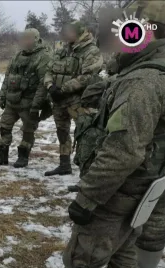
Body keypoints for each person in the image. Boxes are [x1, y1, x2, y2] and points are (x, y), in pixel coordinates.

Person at [62, 1, 165, 268]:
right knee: (123, 251)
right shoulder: (149, 72)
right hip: (144, 187)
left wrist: (88, 197)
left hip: (118, 190)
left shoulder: (142, 83)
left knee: (82, 265)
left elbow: (123, 151)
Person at [43, 21, 103, 176]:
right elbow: (49, 70)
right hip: (59, 100)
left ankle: (87, 174)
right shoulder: (63, 50)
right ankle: (64, 165)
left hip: (79, 100)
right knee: (62, 132)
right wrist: (50, 86)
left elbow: (88, 76)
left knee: (85, 135)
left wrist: (63, 89)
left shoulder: (91, 51)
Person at [0, 28, 52, 167]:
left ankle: (23, 157)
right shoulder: (17, 56)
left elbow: (44, 83)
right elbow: (8, 77)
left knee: (28, 130)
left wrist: (37, 104)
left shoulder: (44, 56)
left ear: (36, 39)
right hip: (12, 101)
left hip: (29, 102)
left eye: (29, 38)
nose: (25, 41)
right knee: (4, 126)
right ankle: (1, 156)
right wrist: (3, 96)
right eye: (24, 38)